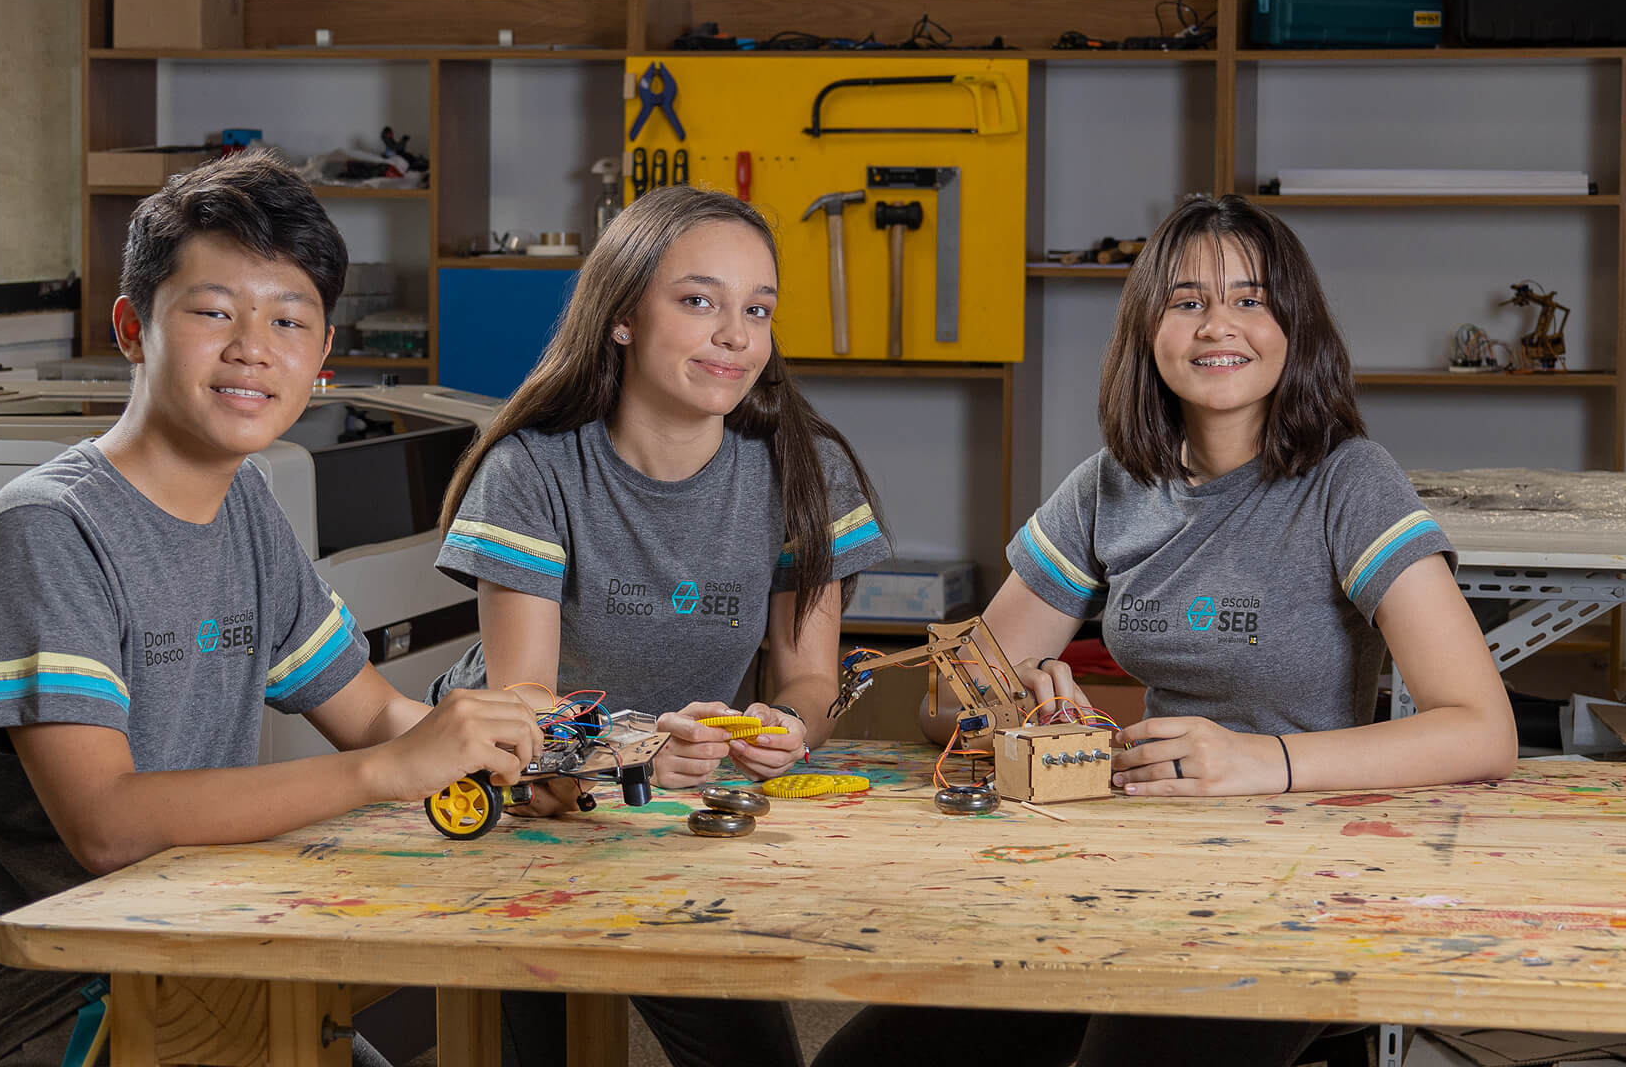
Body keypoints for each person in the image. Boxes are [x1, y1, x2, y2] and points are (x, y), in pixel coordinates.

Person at [815, 193, 1517, 1067]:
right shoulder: (1110, 486)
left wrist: (1265, 761)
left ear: (1295, 328)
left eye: (1250, 299)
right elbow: (942, 705)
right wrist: (1015, 710)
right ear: (1149, 332)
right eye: (1187, 302)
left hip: (1295, 881)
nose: (1217, 324)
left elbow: (1484, 731)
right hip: (1129, 857)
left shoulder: (1349, 480)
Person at [0, 151, 543, 1067]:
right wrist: (395, 768)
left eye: (289, 320)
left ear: (323, 355)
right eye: (213, 312)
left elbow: (372, 715)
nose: (253, 348)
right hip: (50, 992)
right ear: (133, 326)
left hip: (203, 941)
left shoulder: (246, 505)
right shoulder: (49, 528)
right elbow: (108, 825)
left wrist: (509, 757)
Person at [430, 184, 890, 1067]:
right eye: (698, 301)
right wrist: (633, 746)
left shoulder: (805, 467)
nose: (735, 335)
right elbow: (523, 702)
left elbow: (808, 684)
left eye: (757, 309)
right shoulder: (531, 470)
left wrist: (784, 730)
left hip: (667, 795)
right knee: (539, 1045)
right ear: (621, 319)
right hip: (520, 789)